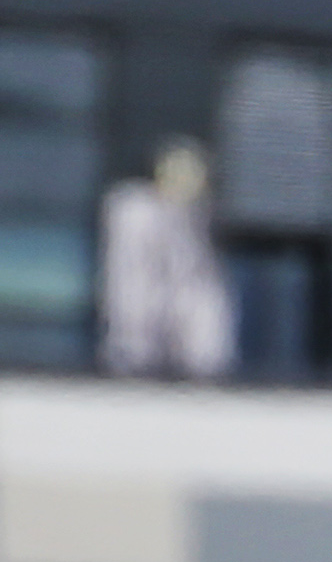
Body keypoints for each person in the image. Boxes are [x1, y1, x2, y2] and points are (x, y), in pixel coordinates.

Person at [99, 138, 235, 381]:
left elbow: (206, 315)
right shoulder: (134, 213)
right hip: (132, 359)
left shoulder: (198, 219)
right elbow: (129, 286)